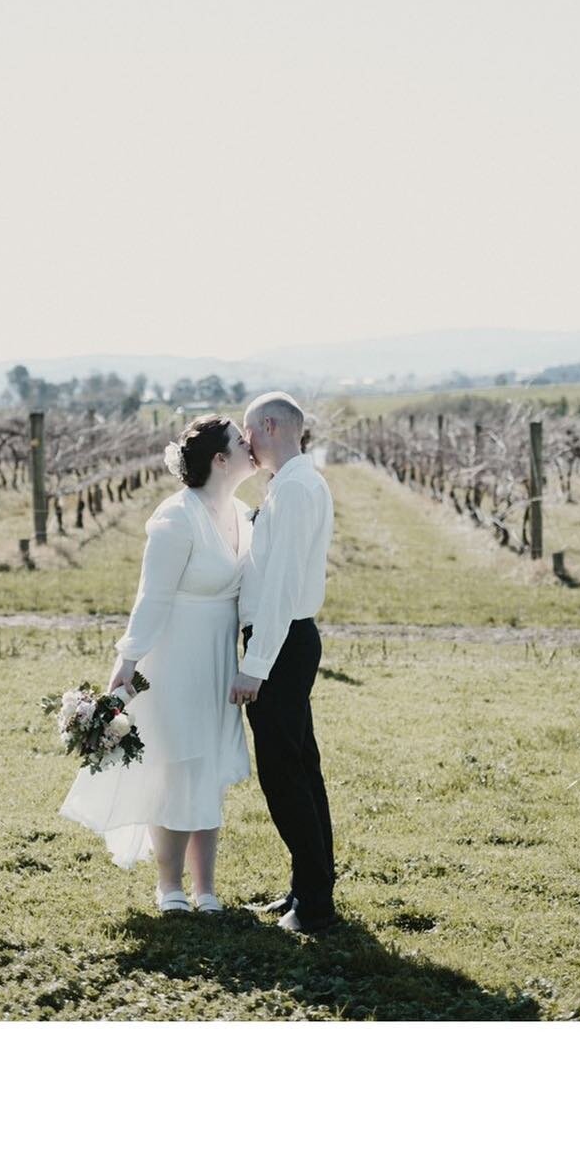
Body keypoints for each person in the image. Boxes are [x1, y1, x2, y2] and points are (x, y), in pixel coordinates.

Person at [59, 416, 256, 912]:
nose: (250, 445)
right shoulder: (177, 516)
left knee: (207, 765)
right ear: (220, 459)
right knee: (173, 764)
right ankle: (170, 886)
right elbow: (152, 597)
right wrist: (127, 660)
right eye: (239, 441)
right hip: (172, 656)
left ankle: (206, 888)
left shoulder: (243, 513)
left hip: (217, 657)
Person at [233, 392, 337, 933]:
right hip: (288, 640)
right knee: (301, 768)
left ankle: (316, 905)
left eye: (248, 431)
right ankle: (309, 887)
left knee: (284, 774)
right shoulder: (292, 483)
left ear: (268, 425)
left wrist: (256, 665)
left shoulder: (295, 489)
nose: (245, 442)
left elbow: (281, 586)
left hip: (283, 642)